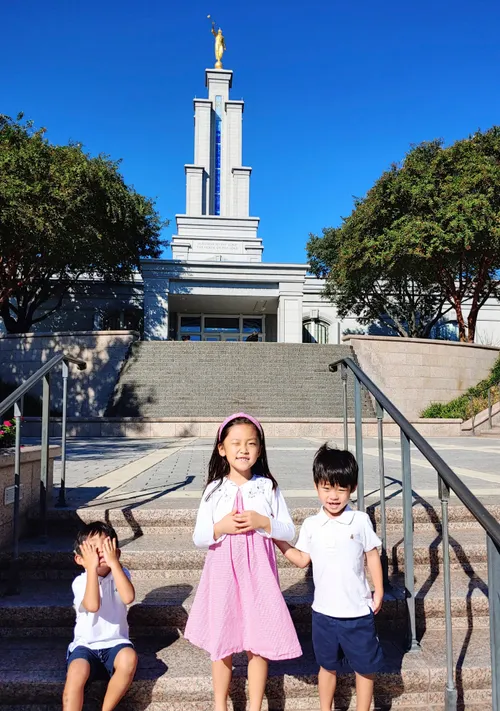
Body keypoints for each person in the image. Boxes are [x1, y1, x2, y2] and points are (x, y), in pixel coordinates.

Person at [184, 412, 302, 711]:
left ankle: (254, 705)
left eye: (251, 443)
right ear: (222, 448)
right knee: (221, 639)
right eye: (235, 443)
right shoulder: (214, 489)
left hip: (259, 574)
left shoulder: (267, 487)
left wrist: (264, 521)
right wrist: (219, 528)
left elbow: (289, 530)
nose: (243, 449)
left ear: (260, 449)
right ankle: (219, 704)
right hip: (222, 572)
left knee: (258, 641)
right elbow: (199, 536)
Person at [274, 445, 384, 711]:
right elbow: (302, 559)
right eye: (326, 488)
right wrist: (276, 538)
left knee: (365, 668)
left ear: (352, 488)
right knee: (326, 666)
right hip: (323, 613)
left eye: (341, 489)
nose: (333, 496)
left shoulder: (359, 520)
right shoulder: (312, 524)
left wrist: (378, 590)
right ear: (316, 486)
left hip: (357, 612)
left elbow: (371, 555)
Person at [63, 522, 138, 711]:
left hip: (116, 644)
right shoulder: (80, 582)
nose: (100, 552)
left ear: (116, 551)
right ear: (80, 559)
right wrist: (91, 569)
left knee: (129, 658)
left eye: (105, 546)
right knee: (75, 673)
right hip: (85, 646)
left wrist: (114, 563)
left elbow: (128, 597)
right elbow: (93, 605)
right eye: (93, 548)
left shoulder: (121, 574)